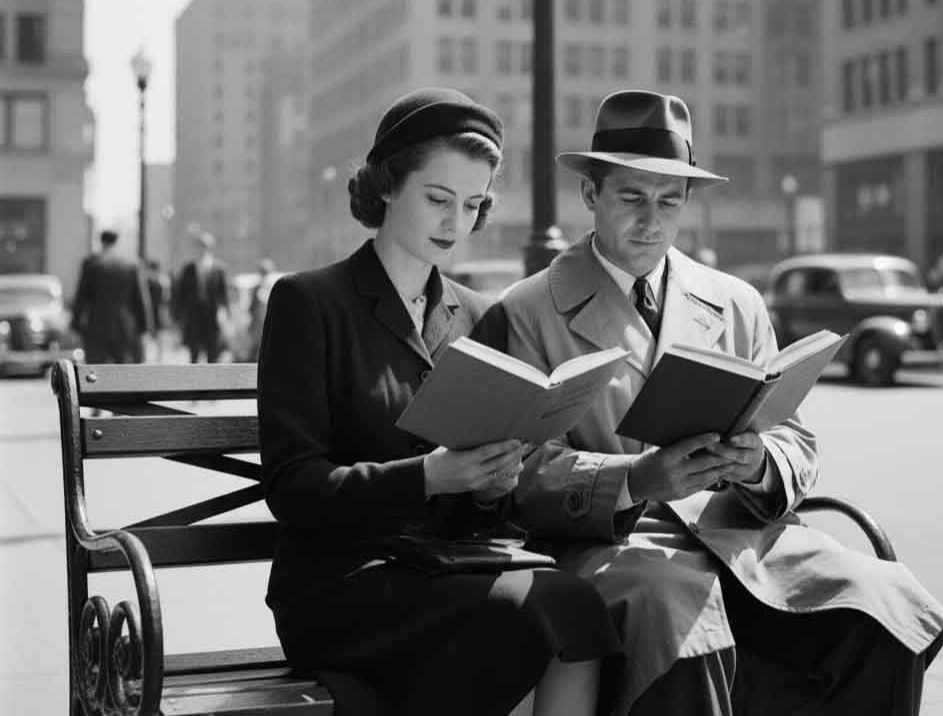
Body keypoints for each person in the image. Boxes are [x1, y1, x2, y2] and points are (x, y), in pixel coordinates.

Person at [480, 90, 943, 716]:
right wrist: (635, 477)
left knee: (880, 601)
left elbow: (795, 438)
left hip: (744, 539)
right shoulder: (526, 310)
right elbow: (512, 470)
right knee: (678, 611)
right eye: (631, 198)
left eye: (669, 202)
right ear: (590, 196)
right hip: (614, 553)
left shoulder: (736, 301)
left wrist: (757, 462)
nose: (651, 221)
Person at [257, 87, 620, 716]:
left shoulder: (480, 316)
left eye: (473, 204)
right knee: (509, 618)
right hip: (339, 585)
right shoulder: (309, 304)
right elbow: (293, 487)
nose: (457, 223)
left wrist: (488, 486)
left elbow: (488, 511)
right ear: (387, 186)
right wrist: (428, 476)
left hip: (442, 568)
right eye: (438, 199)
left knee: (574, 603)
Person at [71, 229, 151, 363]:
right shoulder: (131, 264)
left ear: (101, 242)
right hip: (125, 328)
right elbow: (141, 299)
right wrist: (145, 327)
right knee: (123, 373)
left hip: (96, 326)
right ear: (116, 242)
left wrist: (75, 324)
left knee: (95, 373)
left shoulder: (91, 264)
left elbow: (81, 296)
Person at [174, 231, 229, 363]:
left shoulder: (219, 268)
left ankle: (213, 383)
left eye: (205, 245)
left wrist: (223, 313)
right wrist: (179, 316)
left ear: (210, 247)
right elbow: (181, 295)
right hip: (194, 316)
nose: (202, 249)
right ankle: (194, 382)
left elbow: (223, 294)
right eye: (200, 245)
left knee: (213, 353)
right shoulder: (188, 268)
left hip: (212, 316)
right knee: (194, 354)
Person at [246, 257, 276, 361]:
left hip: (270, 324)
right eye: (262, 272)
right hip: (258, 325)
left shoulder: (275, 287)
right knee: (256, 349)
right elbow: (251, 307)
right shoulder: (256, 288)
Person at [145, 258, 172, 362]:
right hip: (151, 311)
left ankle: (159, 357)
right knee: (150, 335)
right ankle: (152, 356)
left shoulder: (162, 281)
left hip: (157, 311)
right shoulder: (148, 281)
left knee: (159, 335)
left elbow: (166, 299)